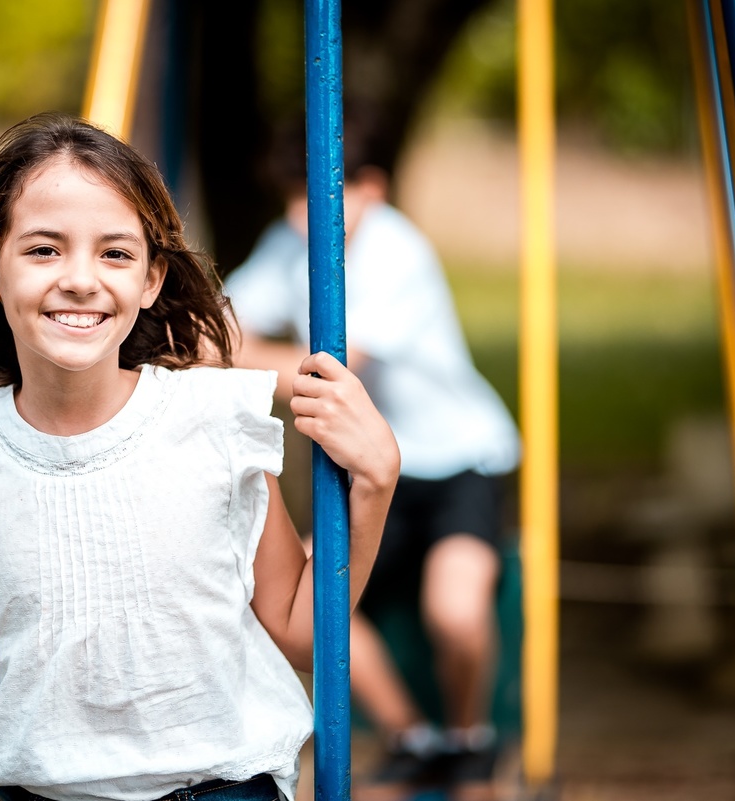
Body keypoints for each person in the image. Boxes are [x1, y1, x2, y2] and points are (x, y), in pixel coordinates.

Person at [0, 111, 400, 801]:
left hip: (219, 787)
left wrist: (375, 486)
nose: (81, 279)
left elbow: (302, 633)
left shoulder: (211, 416)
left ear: (149, 280)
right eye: (44, 250)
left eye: (114, 253)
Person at [223, 111, 521, 785]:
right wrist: (227, 351)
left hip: (455, 462)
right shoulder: (286, 244)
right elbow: (216, 324)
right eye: (293, 196)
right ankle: (412, 736)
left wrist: (229, 359)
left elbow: (332, 373)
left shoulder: (395, 251)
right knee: (303, 600)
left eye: (321, 195)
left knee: (455, 613)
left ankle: (471, 739)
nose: (304, 214)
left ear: (373, 189)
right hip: (370, 466)